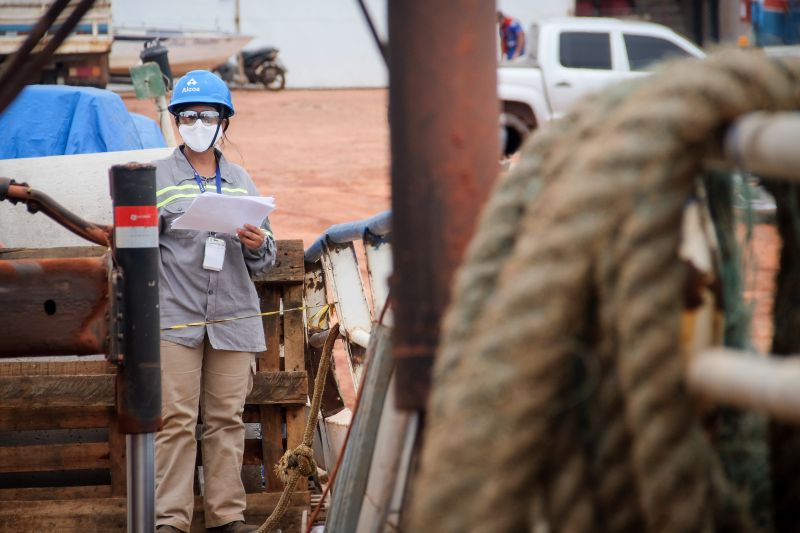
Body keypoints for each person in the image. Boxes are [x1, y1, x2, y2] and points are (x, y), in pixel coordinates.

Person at [154, 70, 277, 533]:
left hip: (233, 316)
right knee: (176, 422)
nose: (198, 122)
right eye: (189, 115)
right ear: (176, 121)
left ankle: (227, 517)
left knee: (226, 420)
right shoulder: (156, 177)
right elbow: (135, 248)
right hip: (177, 319)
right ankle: (171, 520)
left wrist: (254, 242)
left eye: (207, 114)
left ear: (224, 120)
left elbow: (263, 260)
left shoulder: (242, 179)